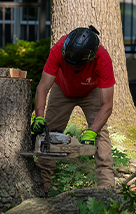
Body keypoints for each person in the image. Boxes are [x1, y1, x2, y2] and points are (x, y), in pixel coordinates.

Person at [32, 25, 116, 195]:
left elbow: (107, 105)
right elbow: (42, 87)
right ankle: (42, 190)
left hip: (91, 90)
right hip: (62, 88)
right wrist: (39, 118)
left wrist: (92, 131)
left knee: (101, 135)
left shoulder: (103, 58)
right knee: (49, 134)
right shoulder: (59, 48)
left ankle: (106, 189)